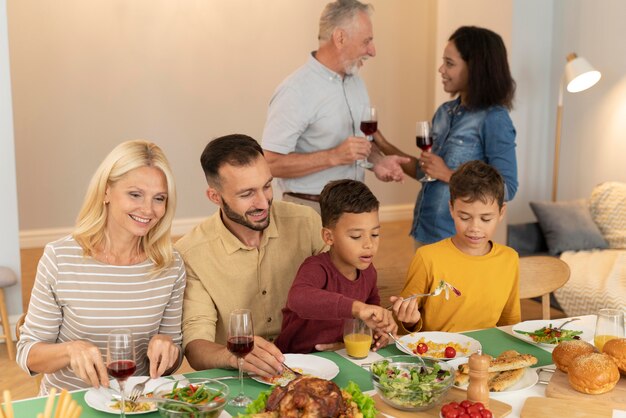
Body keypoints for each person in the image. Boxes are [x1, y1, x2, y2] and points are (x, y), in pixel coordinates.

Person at [16, 140, 186, 394]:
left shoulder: (170, 264)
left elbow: (171, 360)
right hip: (69, 406)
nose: (148, 210)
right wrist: (69, 350)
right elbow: (28, 354)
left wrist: (168, 348)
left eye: (158, 198)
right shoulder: (60, 258)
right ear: (106, 192)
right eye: (135, 194)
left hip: (135, 404)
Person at [175, 134, 327, 376]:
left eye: (267, 186)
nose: (264, 203)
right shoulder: (191, 253)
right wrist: (233, 356)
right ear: (215, 197)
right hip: (240, 377)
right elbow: (195, 346)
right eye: (247, 194)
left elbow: (346, 287)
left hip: (314, 364)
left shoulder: (306, 222)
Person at [374, 26, 518, 245]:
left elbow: (507, 188)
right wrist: (381, 141)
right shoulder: (444, 112)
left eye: (450, 63)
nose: (441, 69)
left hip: (458, 240)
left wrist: (449, 175)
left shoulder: (494, 119)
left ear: (476, 69)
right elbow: (427, 173)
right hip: (424, 230)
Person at [261, 0, 408, 211]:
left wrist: (377, 161)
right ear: (340, 38)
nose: (373, 51)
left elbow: (359, 143)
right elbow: (269, 164)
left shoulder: (356, 82)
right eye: (367, 41)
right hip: (310, 209)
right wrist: (333, 156)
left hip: (353, 205)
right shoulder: (295, 90)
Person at [391, 160, 521, 333]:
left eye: (485, 219)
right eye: (465, 217)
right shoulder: (428, 258)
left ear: (501, 213)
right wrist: (409, 321)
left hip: (486, 356)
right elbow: (402, 325)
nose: (475, 228)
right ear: (451, 209)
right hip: (437, 354)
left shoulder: (509, 259)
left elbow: (509, 323)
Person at [275, 179, 396, 354]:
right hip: (297, 361)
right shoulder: (316, 267)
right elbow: (298, 298)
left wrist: (378, 329)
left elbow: (371, 307)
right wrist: (357, 308)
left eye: (375, 234)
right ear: (328, 237)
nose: (369, 244)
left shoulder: (368, 272)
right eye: (356, 236)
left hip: (340, 355)